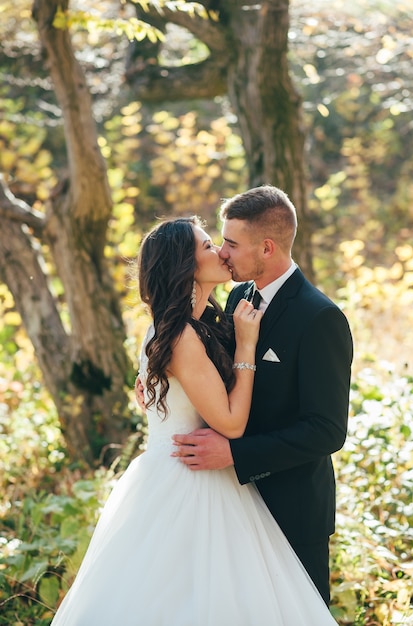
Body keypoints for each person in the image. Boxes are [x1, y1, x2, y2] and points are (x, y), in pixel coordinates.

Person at [51, 216, 338, 625]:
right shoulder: (182, 335)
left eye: (222, 243)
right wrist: (248, 345)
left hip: (208, 475)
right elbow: (232, 425)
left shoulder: (199, 322)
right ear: (185, 265)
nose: (220, 252)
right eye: (209, 246)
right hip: (189, 481)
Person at [171, 186, 354, 606]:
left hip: (292, 508)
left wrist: (237, 454)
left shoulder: (320, 318)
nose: (222, 252)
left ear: (267, 247)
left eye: (232, 243)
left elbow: (326, 431)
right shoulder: (237, 296)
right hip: (231, 506)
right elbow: (204, 367)